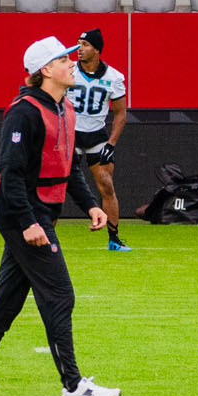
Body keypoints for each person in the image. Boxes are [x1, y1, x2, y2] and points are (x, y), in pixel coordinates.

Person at [0, 37, 119, 396]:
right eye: (64, 59)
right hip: (22, 216)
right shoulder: (23, 112)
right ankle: (74, 387)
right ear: (45, 70)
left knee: (5, 304)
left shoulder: (66, 108)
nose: (72, 62)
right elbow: (10, 174)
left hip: (39, 216)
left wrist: (92, 206)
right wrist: (29, 223)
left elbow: (71, 169)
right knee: (60, 295)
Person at [65, 31, 135, 251]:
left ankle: (114, 238)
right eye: (78, 44)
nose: (79, 49)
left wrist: (111, 144)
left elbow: (120, 114)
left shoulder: (114, 77)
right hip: (71, 133)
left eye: (85, 44)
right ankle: (48, 236)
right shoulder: (68, 71)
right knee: (58, 186)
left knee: (106, 185)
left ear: (96, 49)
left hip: (96, 134)